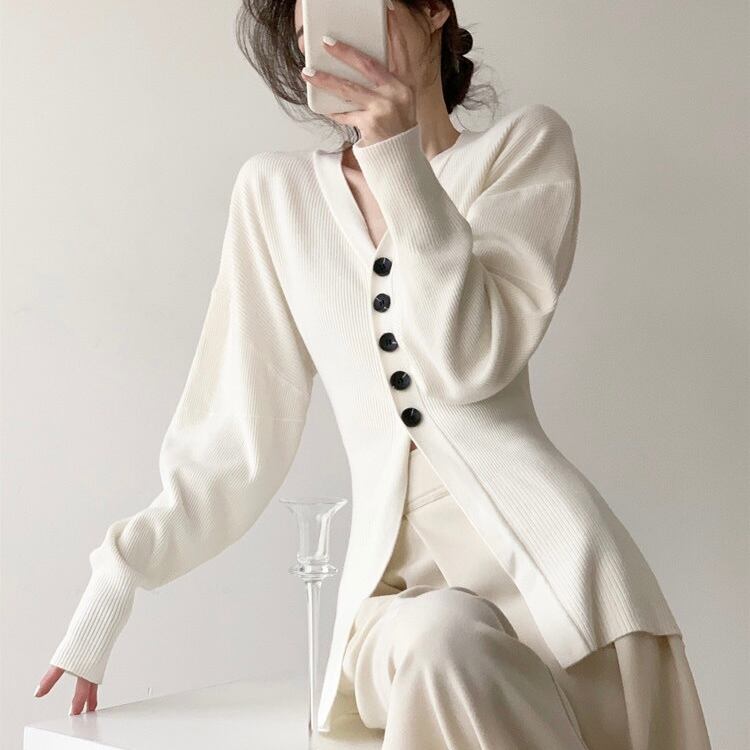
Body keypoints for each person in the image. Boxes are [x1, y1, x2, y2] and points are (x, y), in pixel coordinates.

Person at [36, 1, 713, 747]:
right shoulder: (278, 196)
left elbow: (468, 360)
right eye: (310, 36)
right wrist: (117, 580)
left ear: (433, 11)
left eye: (353, 10)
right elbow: (234, 441)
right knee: (440, 640)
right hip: (398, 592)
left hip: (566, 587)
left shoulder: (524, 149)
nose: (331, 44)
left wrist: (398, 157)